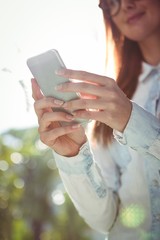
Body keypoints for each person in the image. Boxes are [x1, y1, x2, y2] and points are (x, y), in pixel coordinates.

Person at [31, 0, 160, 239]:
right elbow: (105, 219)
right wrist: (73, 156)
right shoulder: (114, 99)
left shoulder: (118, 106)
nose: (126, 6)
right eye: (112, 2)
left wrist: (134, 122)